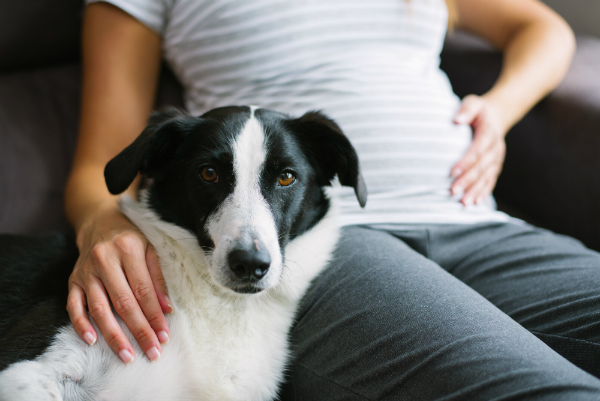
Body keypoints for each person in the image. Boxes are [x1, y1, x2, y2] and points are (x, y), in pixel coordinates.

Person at [64, 0, 600, 398]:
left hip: (479, 223)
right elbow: (101, 165)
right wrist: (104, 226)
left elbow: (543, 28)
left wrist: (498, 113)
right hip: (333, 247)